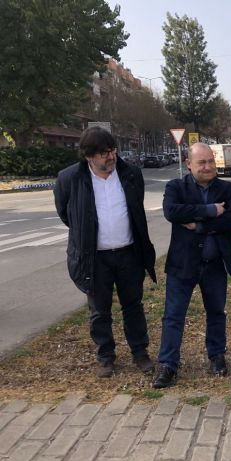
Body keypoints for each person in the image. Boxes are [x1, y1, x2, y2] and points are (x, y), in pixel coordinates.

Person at [54, 127, 157, 378]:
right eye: (103, 153)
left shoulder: (130, 174)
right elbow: (67, 214)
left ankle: (140, 352)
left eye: (112, 150)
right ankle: (105, 356)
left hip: (128, 253)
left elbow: (135, 210)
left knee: (133, 305)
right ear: (88, 156)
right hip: (95, 258)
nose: (111, 157)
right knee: (99, 310)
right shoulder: (70, 179)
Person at [153, 143, 231, 388]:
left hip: (214, 265)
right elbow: (172, 212)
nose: (208, 166)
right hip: (182, 265)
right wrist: (211, 210)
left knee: (216, 313)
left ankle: (217, 356)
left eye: (211, 161)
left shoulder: (228, 189)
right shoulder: (175, 188)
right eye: (202, 162)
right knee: (173, 316)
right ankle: (168, 364)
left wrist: (199, 224)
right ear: (189, 163)